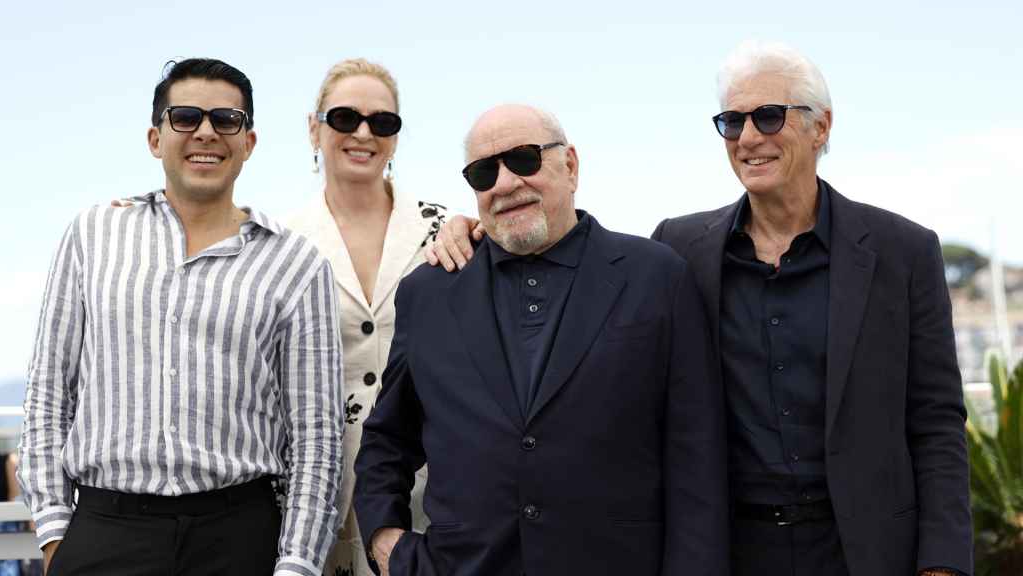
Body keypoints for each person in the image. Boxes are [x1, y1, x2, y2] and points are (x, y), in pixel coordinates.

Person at [427, 41, 973, 576]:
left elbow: (936, 422)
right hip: (732, 550)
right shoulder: (678, 248)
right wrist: (478, 233)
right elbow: (581, 261)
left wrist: (943, 564)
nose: (748, 137)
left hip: (869, 550)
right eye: (732, 122)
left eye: (768, 116)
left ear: (821, 127)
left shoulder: (903, 251)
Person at [353, 104, 728, 576]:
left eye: (525, 159)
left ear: (570, 165)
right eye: (484, 172)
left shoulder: (657, 278)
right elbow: (388, 438)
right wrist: (386, 543)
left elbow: (697, 459)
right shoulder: (428, 293)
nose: (506, 183)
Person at [17, 58, 344, 576]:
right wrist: (56, 533)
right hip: (105, 532)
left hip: (239, 537)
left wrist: (297, 564)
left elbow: (316, 437)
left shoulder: (297, 265)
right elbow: (49, 393)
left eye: (226, 120)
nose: (206, 132)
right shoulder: (92, 235)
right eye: (186, 117)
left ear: (249, 143)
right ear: (155, 137)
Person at [284, 58, 442, 576]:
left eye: (383, 121)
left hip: (428, 482)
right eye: (345, 118)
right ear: (315, 127)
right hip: (314, 490)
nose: (364, 133)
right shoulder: (280, 244)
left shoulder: (443, 228)